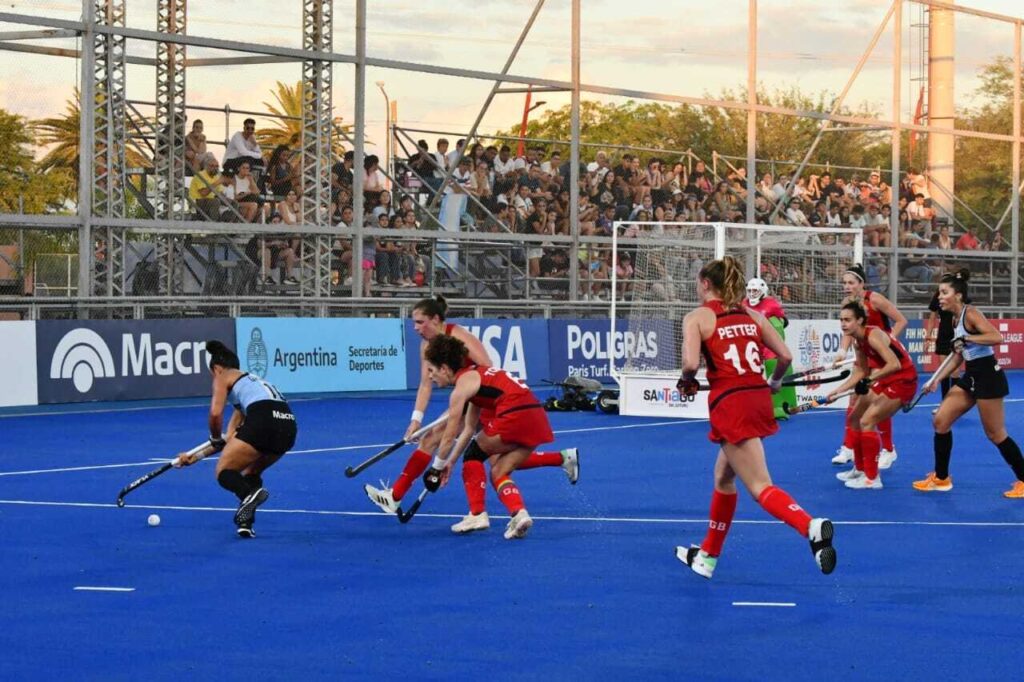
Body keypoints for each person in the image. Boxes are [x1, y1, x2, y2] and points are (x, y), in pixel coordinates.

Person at [674, 256, 836, 579]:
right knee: (724, 477)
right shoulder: (751, 314)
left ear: (706, 284)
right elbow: (785, 356)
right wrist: (774, 382)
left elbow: (691, 364)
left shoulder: (697, 318)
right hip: (757, 398)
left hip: (731, 405)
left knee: (760, 486)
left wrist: (686, 382)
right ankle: (707, 556)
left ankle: (810, 526)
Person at [363, 295, 578, 533]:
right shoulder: (427, 347)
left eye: (420, 321)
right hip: (492, 400)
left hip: (491, 401)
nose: (416, 328)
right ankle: (551, 470)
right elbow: (426, 384)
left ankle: (475, 512)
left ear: (435, 319)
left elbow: (486, 369)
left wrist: (439, 464)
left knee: (481, 456)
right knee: (492, 461)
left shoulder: (460, 337)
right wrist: (417, 420)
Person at [419, 335, 565, 539]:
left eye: (432, 371)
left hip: (515, 412)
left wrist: (436, 467)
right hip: (536, 417)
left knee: (473, 454)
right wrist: (450, 462)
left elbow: (449, 435)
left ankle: (477, 514)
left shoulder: (461, 388)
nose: (431, 377)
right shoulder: (476, 377)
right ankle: (519, 514)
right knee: (498, 472)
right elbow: (469, 429)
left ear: (444, 368)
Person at [913, 271, 1024, 497]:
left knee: (995, 434)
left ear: (959, 295)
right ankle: (942, 478)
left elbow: (996, 337)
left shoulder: (970, 314)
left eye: (944, 292)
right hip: (971, 375)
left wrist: (968, 339)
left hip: (988, 377)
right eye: (939, 292)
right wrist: (936, 380)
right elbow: (958, 355)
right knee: (941, 421)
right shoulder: (953, 319)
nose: (939, 297)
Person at [175, 340, 297, 537]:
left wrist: (214, 437)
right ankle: (245, 521)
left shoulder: (223, 376)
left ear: (217, 368)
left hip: (264, 420)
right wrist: (195, 457)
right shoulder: (250, 391)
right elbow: (229, 440)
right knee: (250, 472)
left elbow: (215, 415)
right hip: (288, 427)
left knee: (224, 471)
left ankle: (248, 495)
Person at [828, 301, 918, 489]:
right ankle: (860, 470)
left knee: (867, 421)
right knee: (854, 418)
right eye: (841, 320)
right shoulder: (857, 340)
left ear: (860, 320)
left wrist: (869, 380)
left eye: (848, 320)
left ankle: (872, 478)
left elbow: (894, 364)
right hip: (887, 378)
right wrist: (838, 391)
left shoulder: (873, 335)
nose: (843, 324)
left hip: (904, 380)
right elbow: (861, 370)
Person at [831, 263, 907, 469]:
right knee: (853, 401)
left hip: (882, 358)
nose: (847, 287)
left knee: (877, 404)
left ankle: (889, 450)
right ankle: (849, 447)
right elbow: (849, 331)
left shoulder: (875, 299)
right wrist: (841, 351)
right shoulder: (847, 302)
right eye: (844, 283)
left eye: (851, 283)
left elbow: (901, 320)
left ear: (861, 283)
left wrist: (887, 342)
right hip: (864, 355)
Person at [745, 277, 795, 420]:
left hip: (768, 346)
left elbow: (781, 323)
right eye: (750, 290)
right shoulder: (743, 304)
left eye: (755, 290)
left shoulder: (771, 304)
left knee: (774, 367)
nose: (752, 294)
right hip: (751, 344)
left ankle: (780, 407)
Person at [924, 280, 956, 406]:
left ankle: (954, 404)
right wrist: (928, 337)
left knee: (955, 371)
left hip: (956, 335)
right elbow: (932, 318)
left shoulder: (957, 295)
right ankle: (945, 403)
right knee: (943, 370)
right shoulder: (937, 297)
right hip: (943, 335)